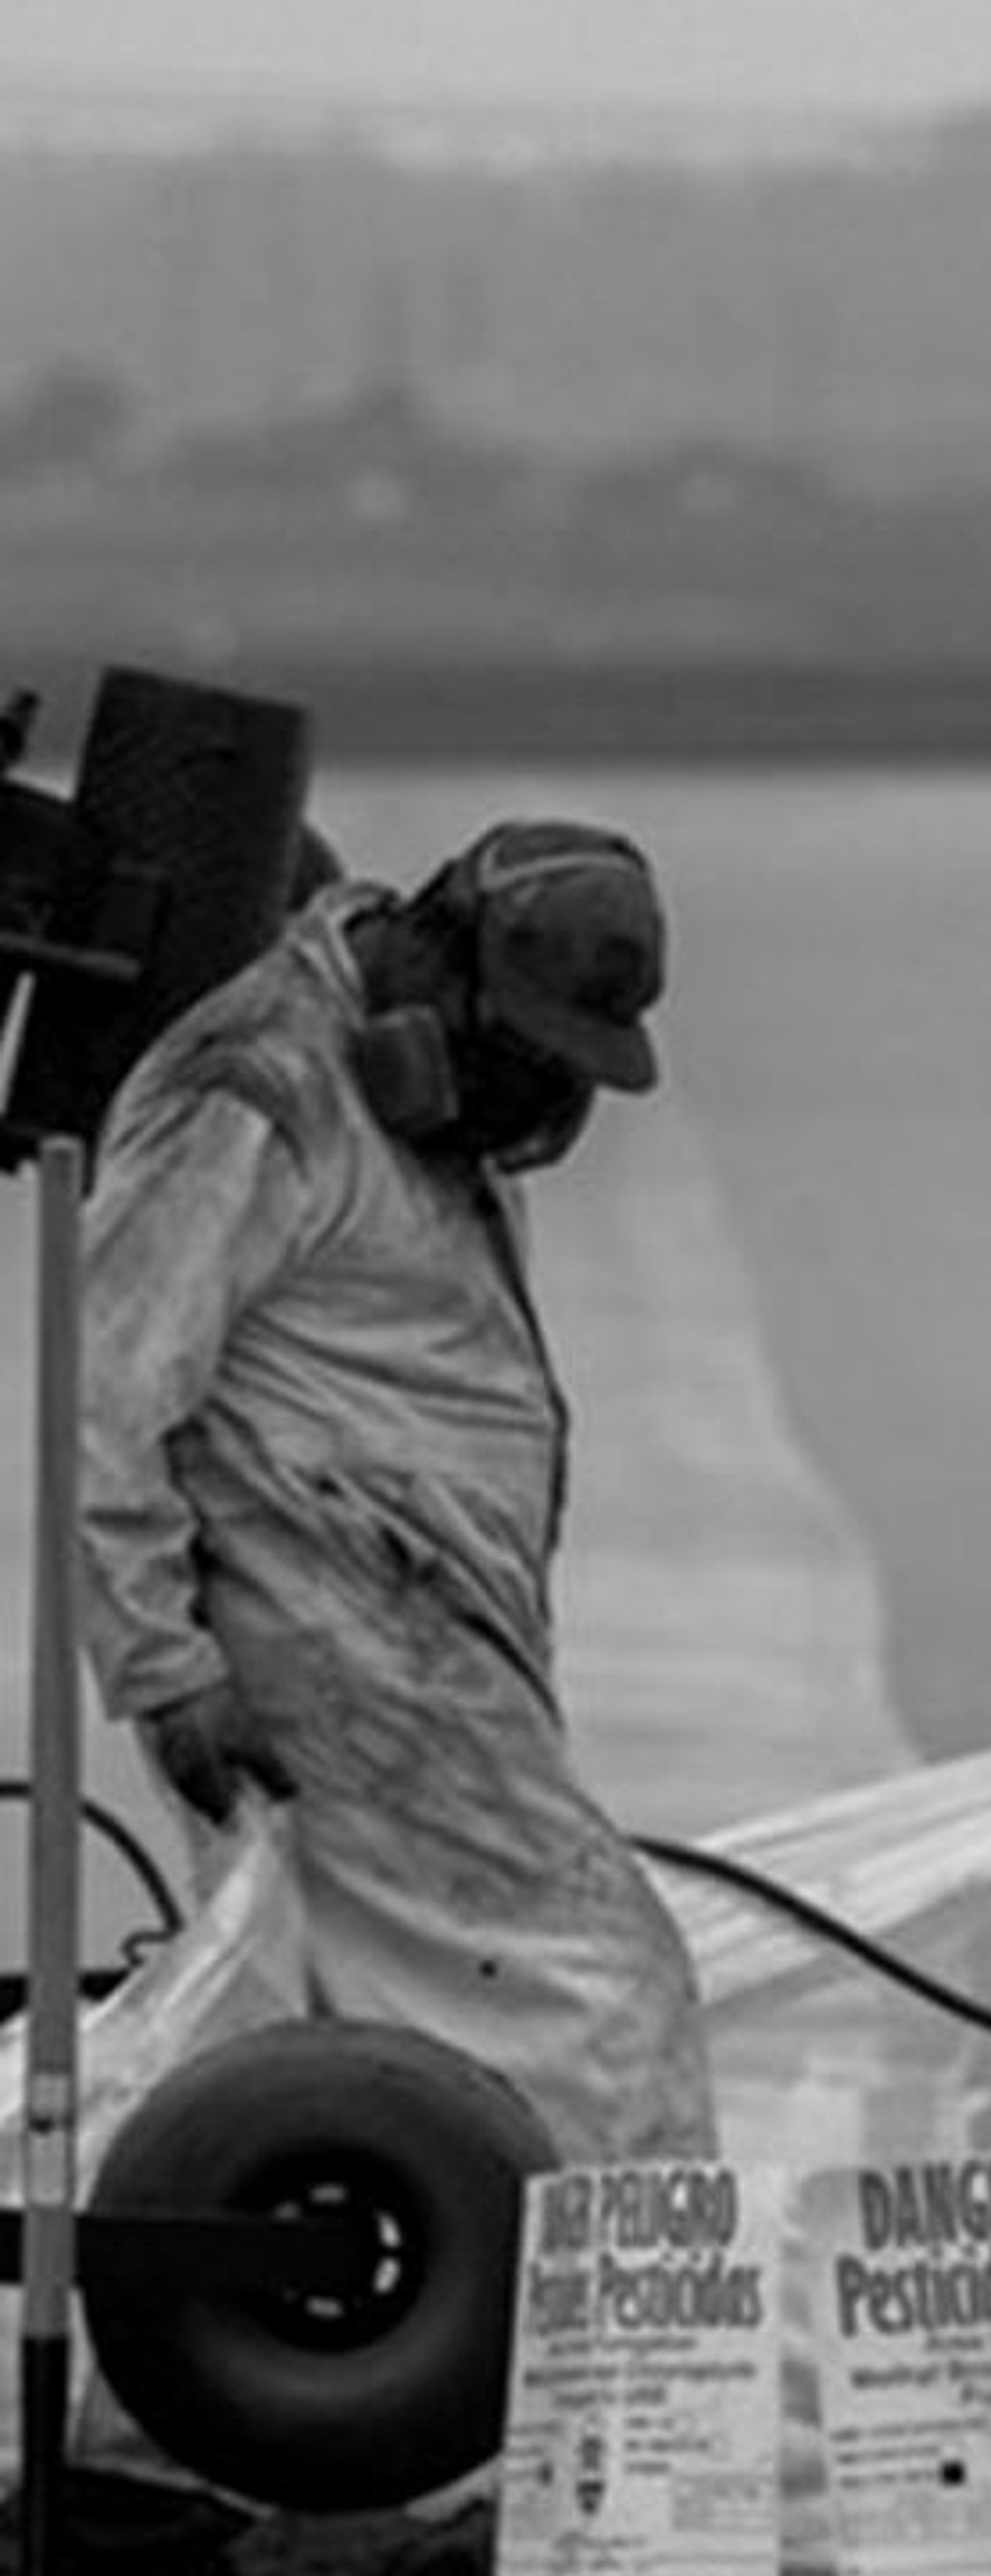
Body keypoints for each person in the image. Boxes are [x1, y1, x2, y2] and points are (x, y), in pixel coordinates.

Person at [76, 816, 718, 2166]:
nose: (537, 1101)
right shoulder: (259, 1092)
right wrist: (164, 1670)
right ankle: (611, 2360)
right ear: (441, 970)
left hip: (418, 1629)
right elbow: (107, 1394)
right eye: (525, 1051)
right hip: (327, 1628)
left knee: (332, 2034)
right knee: (602, 1996)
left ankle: (365, 2357)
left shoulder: (405, 1095)